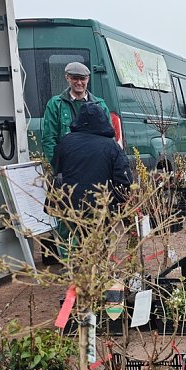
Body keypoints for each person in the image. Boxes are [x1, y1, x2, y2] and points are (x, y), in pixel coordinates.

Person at [50, 102, 132, 256]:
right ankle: (97, 272)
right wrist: (118, 202)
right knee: (99, 246)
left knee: (74, 242)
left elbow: (56, 168)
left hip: (69, 205)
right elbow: (124, 181)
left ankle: (75, 271)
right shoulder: (111, 146)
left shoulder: (66, 142)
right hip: (99, 205)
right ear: (103, 120)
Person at [41, 62, 110, 163]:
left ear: (88, 79)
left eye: (82, 79)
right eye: (75, 78)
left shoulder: (100, 105)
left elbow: (109, 138)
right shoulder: (55, 104)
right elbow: (49, 139)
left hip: (94, 163)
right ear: (67, 78)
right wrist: (57, 166)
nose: (79, 82)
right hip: (67, 164)